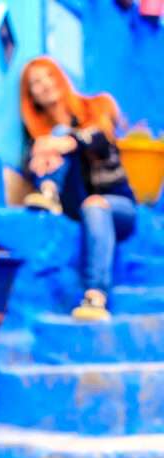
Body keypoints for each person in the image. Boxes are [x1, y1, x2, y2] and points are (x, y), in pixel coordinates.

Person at [20, 56, 137, 321]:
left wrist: (63, 142)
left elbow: (99, 140)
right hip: (76, 203)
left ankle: (95, 296)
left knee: (94, 203)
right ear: (31, 97)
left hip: (118, 206)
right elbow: (31, 162)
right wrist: (42, 150)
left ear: (60, 78)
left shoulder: (95, 107)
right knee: (52, 142)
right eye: (35, 83)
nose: (45, 85)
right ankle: (49, 191)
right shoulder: (37, 137)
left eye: (48, 76)